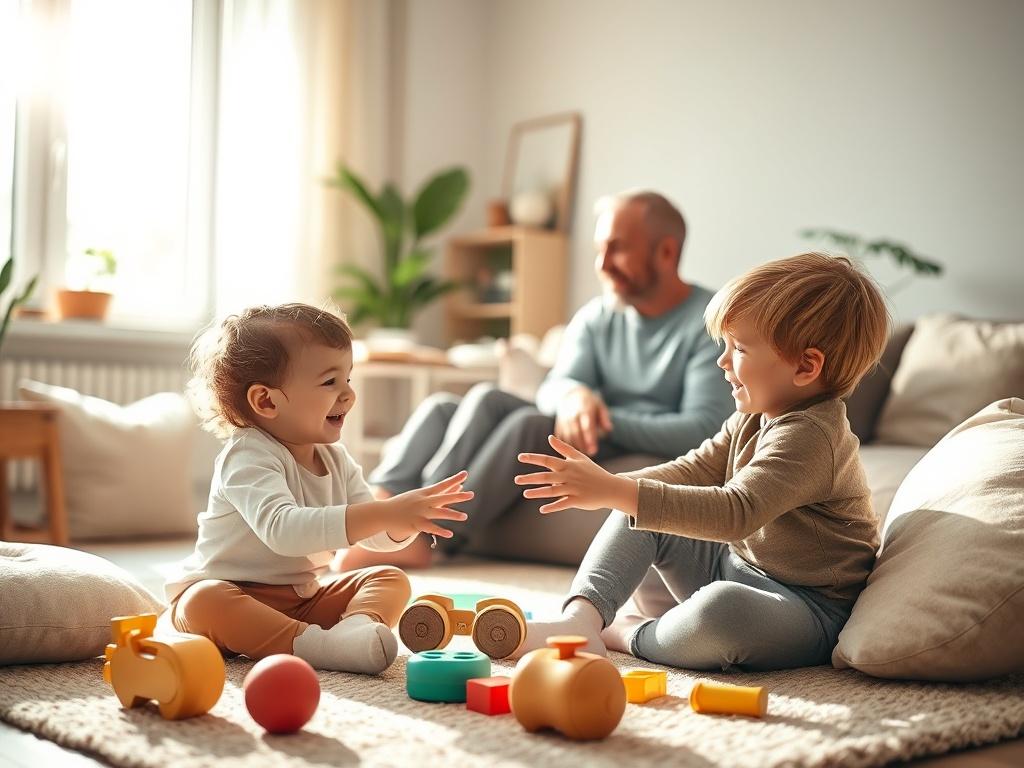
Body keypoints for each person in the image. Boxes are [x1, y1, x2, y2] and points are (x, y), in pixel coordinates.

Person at [513, 252, 889, 671]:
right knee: (639, 505)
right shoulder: (753, 413)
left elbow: (736, 512)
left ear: (805, 366)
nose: (722, 361)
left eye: (739, 348)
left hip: (807, 607)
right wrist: (607, 485)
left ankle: (626, 633)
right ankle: (579, 621)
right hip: (735, 565)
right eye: (724, 345)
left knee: (721, 611)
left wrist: (617, 490)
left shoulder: (814, 436)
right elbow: (694, 469)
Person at [339, 190, 736, 571]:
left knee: (530, 424)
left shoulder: (708, 323)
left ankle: (424, 536)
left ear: (665, 252)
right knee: (460, 403)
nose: (602, 264)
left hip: (620, 444)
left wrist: (601, 419)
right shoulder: (597, 316)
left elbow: (703, 428)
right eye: (600, 249)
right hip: (579, 427)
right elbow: (555, 384)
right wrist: (573, 396)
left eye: (617, 248)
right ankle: (382, 505)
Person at [162, 303, 473, 674]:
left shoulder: (335, 458)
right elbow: (285, 532)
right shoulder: (247, 456)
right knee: (202, 602)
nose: (348, 395)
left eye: (349, 379)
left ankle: (354, 629)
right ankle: (318, 647)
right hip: (232, 594)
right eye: (330, 382)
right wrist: (386, 510)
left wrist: (404, 522)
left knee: (389, 578)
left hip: (300, 600)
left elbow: (372, 537)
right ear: (266, 401)